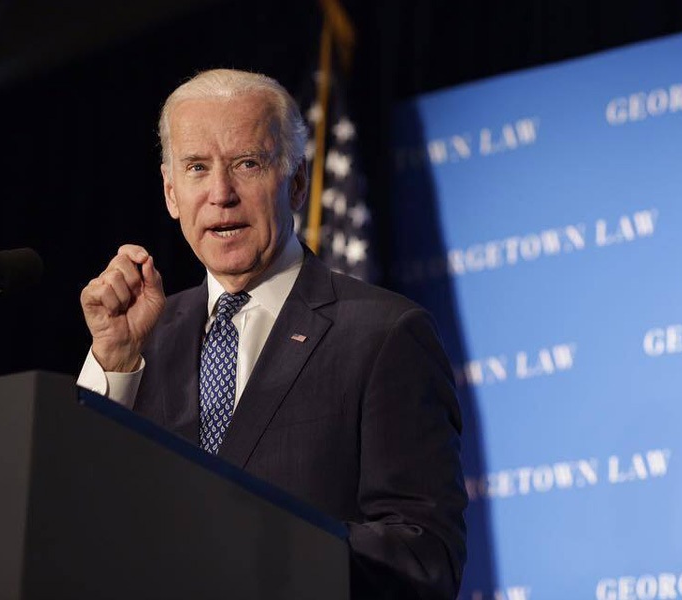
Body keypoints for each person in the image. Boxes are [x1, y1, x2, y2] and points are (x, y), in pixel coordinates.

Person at [77, 69, 466, 599]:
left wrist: (264, 551)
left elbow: (425, 557)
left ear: (297, 181)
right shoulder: (141, 338)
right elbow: (78, 522)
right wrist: (114, 364)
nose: (221, 194)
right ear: (171, 193)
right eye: (197, 168)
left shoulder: (384, 334)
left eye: (247, 163)